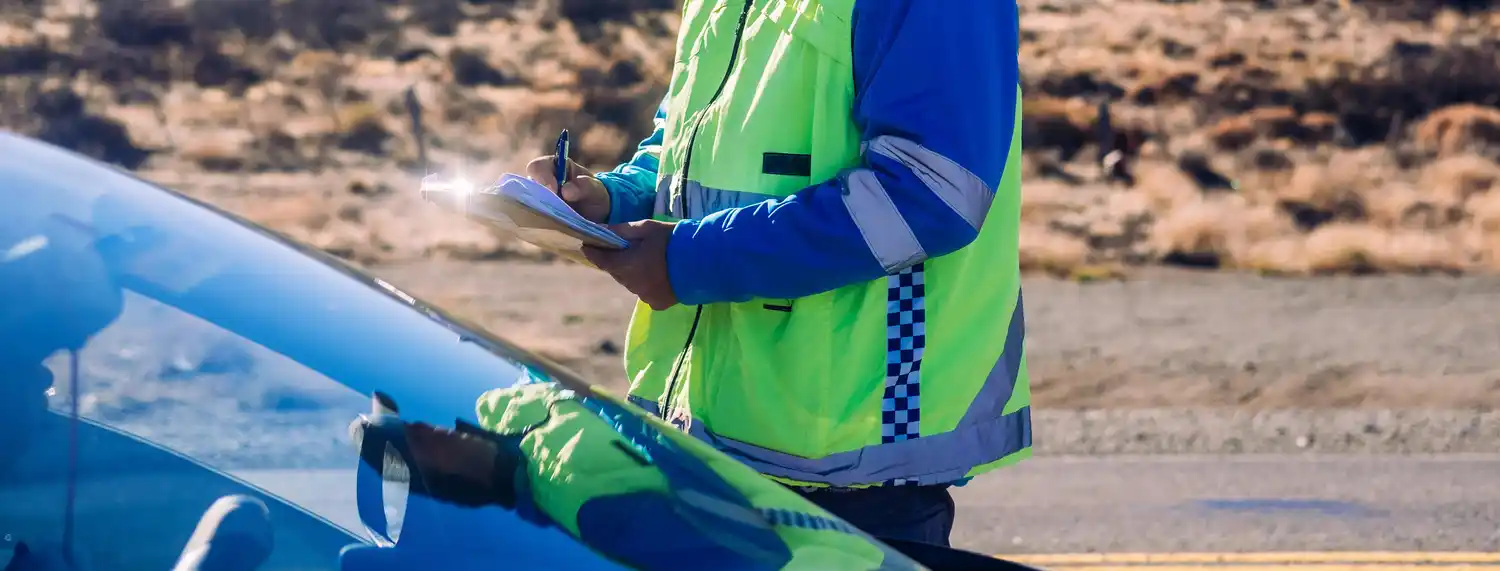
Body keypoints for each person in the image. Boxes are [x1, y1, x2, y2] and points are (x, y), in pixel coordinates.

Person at [523, 0, 1029, 547]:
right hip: (707, 441)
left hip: (858, 463)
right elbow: (690, 146)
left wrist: (689, 260)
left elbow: (930, 195)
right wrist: (611, 197)